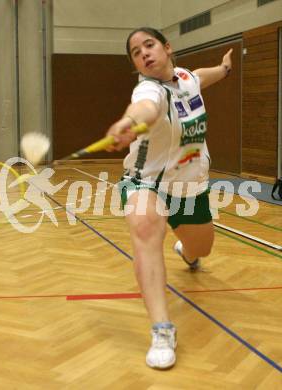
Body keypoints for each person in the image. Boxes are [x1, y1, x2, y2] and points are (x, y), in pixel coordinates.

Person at [105, 27, 232, 369]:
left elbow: (200, 76)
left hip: (190, 186)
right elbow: (145, 107)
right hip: (146, 181)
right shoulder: (149, 90)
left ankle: (187, 252)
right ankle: (162, 329)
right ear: (136, 64)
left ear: (167, 48)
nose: (144, 53)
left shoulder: (185, 77)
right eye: (136, 52)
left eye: (149, 45)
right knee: (145, 228)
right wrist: (129, 121)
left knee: (201, 249)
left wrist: (223, 70)